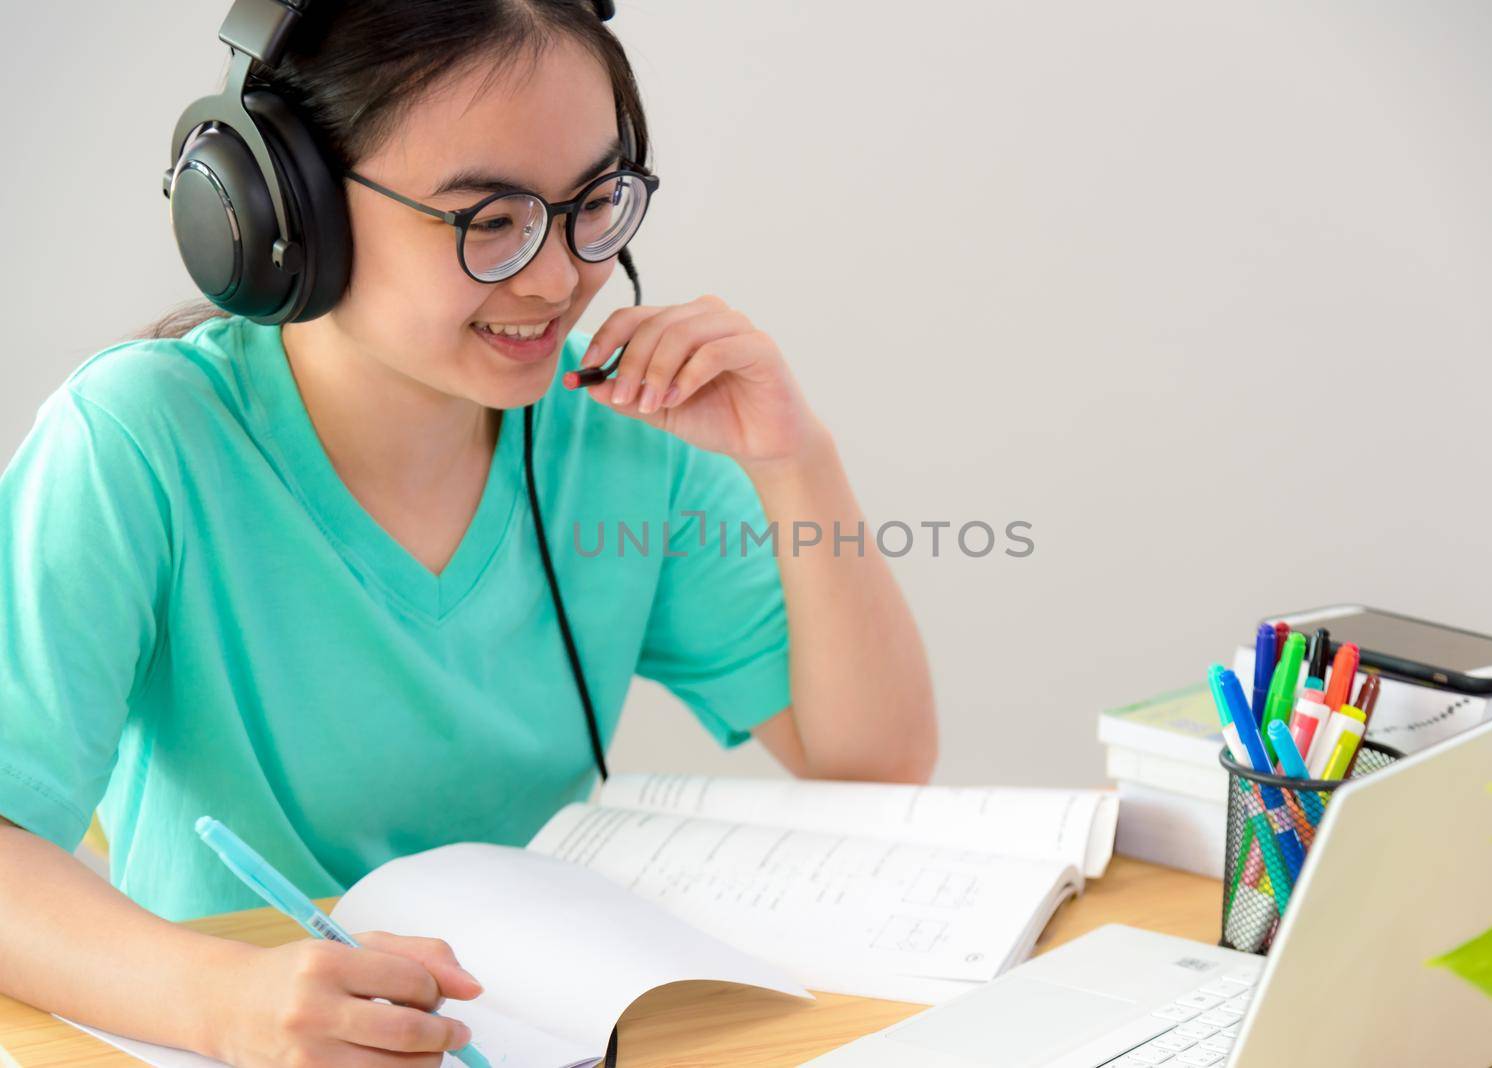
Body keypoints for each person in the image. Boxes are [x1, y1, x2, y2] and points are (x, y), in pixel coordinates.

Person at [0, 2, 936, 1064]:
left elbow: (872, 768)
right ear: (289, 207)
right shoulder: (140, 442)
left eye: (594, 203)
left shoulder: (619, 440)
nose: (555, 277)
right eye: (488, 219)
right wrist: (229, 1003)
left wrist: (793, 463)